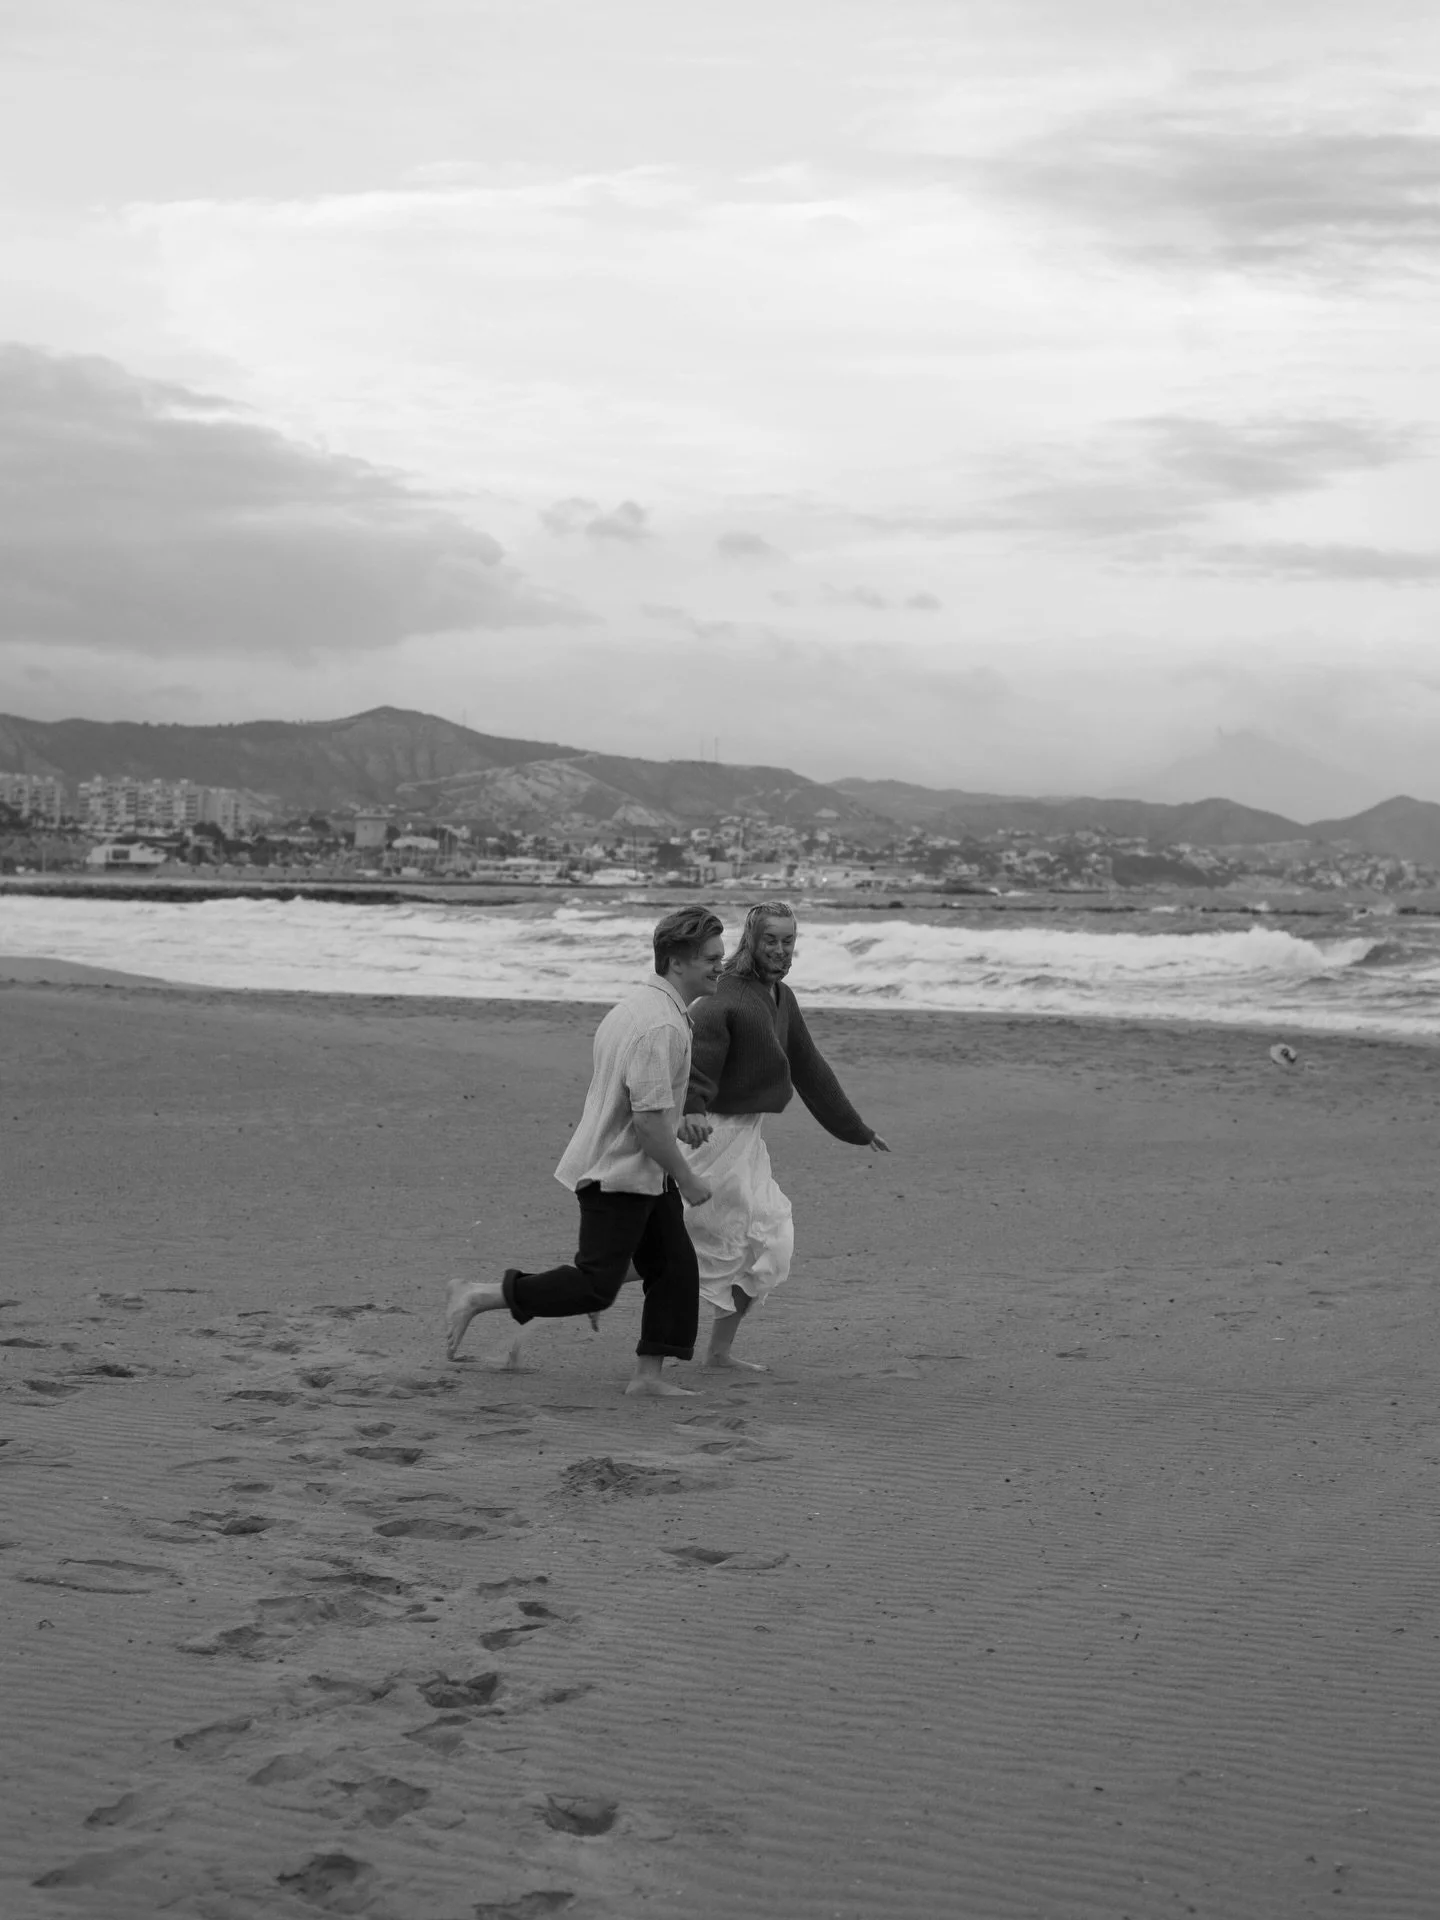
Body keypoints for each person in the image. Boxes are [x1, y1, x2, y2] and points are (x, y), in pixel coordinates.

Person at [444, 905, 725, 1398]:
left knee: (675, 1268)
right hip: (618, 1173)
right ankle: (480, 1294)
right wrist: (688, 1175)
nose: (720, 965)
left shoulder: (638, 1004)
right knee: (595, 1284)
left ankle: (647, 1377)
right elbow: (644, 1121)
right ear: (676, 962)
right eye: (710, 957)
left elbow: (638, 1107)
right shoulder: (660, 1025)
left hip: (637, 1166)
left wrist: (674, 1128)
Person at [679, 901, 889, 1370]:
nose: (779, 949)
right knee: (696, 1245)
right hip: (708, 1138)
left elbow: (809, 1066)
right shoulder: (723, 995)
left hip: (747, 1139)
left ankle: (719, 1352)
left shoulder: (780, 997)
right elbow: (696, 1063)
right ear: (750, 941)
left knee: (769, 1244)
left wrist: (855, 1129)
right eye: (770, 939)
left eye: (788, 940)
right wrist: (691, 1109)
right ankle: (594, 1283)